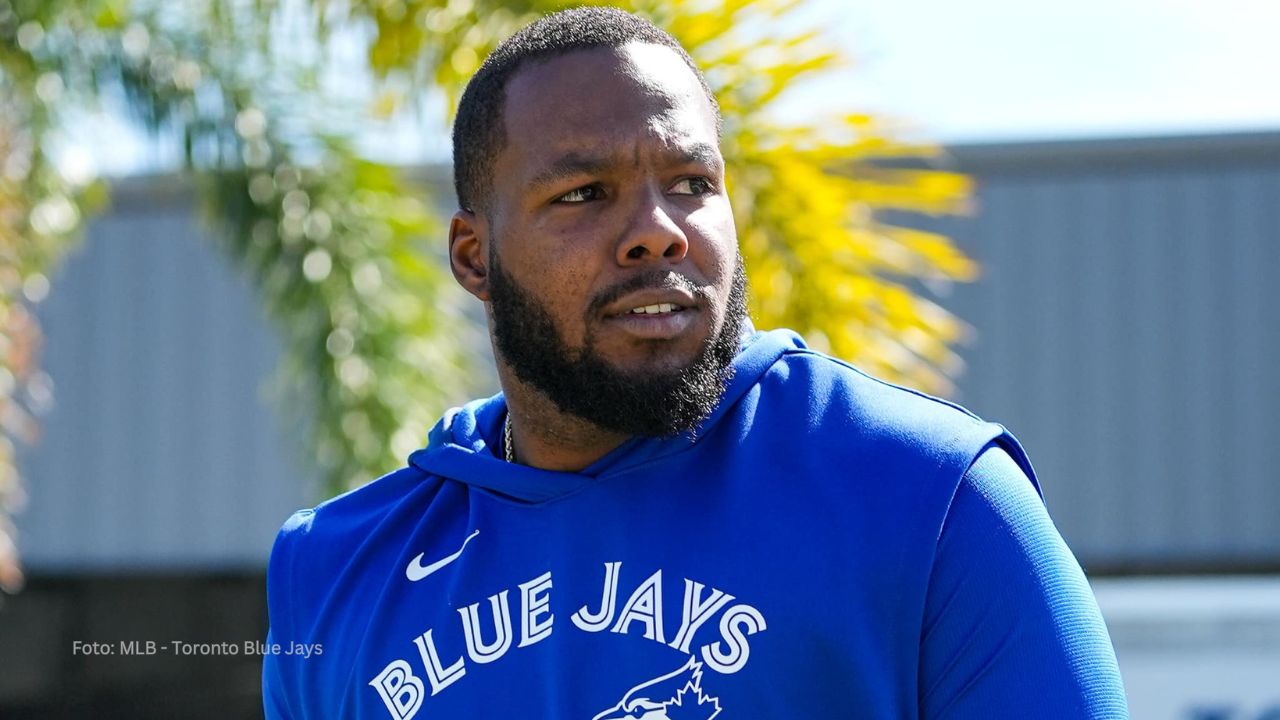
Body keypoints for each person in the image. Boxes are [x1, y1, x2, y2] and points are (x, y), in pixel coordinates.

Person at [262, 7, 1128, 719]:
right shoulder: (336, 572)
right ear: (473, 256)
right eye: (582, 194)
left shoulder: (929, 497)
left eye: (690, 183)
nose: (657, 229)